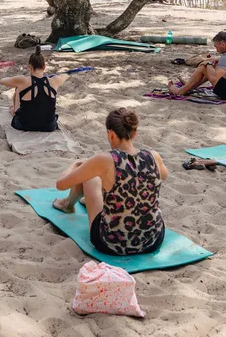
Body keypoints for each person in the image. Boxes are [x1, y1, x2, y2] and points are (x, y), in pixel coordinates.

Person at [52, 109, 168, 255]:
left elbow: (61, 184)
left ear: (111, 134)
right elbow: (164, 175)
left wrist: (75, 165)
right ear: (134, 133)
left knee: (89, 177)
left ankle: (67, 204)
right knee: (115, 180)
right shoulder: (153, 156)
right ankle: (84, 201)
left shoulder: (105, 159)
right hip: (153, 239)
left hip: (112, 243)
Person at [168, 30, 226, 101]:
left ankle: (180, 91)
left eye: (216, 47)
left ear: (223, 44)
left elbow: (213, 78)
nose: (216, 50)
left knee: (204, 67)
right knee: (212, 66)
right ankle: (190, 85)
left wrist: (207, 63)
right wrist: (213, 61)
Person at [0, 46, 67, 131]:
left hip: (25, 124)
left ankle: (14, 110)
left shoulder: (22, 80)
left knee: (18, 88)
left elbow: (2, 81)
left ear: (30, 67)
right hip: (49, 126)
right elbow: (65, 75)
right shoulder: (54, 81)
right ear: (44, 67)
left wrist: (17, 80)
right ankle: (15, 110)